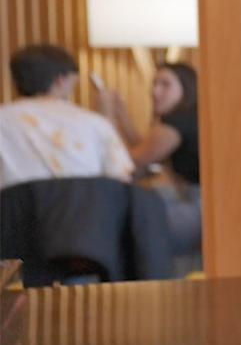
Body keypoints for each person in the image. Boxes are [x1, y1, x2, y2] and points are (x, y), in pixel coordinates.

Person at [97, 62, 201, 256]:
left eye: (165, 84)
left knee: (126, 223)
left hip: (198, 209)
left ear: (186, 88)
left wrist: (108, 117)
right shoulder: (188, 118)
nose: (155, 91)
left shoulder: (176, 124)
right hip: (198, 204)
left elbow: (128, 162)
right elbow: (145, 147)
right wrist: (122, 116)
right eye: (154, 84)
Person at [1, 44, 134, 190]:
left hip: (12, 211)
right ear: (60, 80)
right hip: (83, 210)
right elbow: (121, 183)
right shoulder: (94, 123)